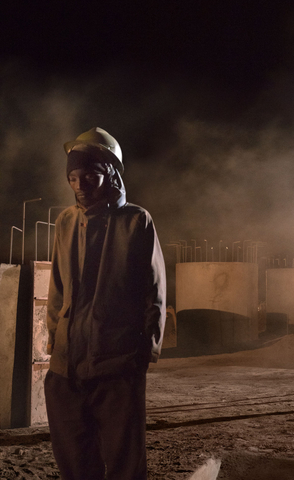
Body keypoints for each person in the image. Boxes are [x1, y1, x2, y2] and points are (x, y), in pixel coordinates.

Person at [45, 127, 166, 480]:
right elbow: (57, 288)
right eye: (73, 178)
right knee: (74, 462)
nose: (79, 185)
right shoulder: (66, 221)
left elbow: (154, 291)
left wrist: (145, 351)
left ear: (110, 174)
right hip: (66, 369)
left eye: (89, 176)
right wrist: (55, 341)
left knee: (125, 463)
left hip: (117, 366)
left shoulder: (136, 221)